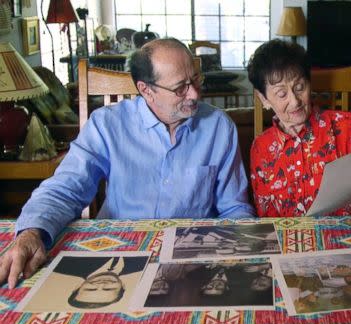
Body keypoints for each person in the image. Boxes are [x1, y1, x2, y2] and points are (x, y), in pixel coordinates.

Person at [0, 38, 254, 289]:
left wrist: (241, 256)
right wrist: (32, 232)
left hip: (194, 256)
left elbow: (234, 207)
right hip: (118, 255)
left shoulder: (219, 126)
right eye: (180, 88)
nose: (195, 93)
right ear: (146, 90)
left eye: (196, 80)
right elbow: (65, 188)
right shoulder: (107, 125)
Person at [247, 39, 351, 217]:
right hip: (291, 242)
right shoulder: (261, 148)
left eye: (300, 87)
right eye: (282, 94)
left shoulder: (347, 127)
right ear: (263, 98)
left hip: (347, 238)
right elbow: (268, 222)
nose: (295, 101)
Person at [54, 256, 148, 309]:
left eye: (91, 289)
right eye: (109, 288)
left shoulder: (64, 264)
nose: (102, 284)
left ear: (78, 286)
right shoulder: (142, 265)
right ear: (123, 286)